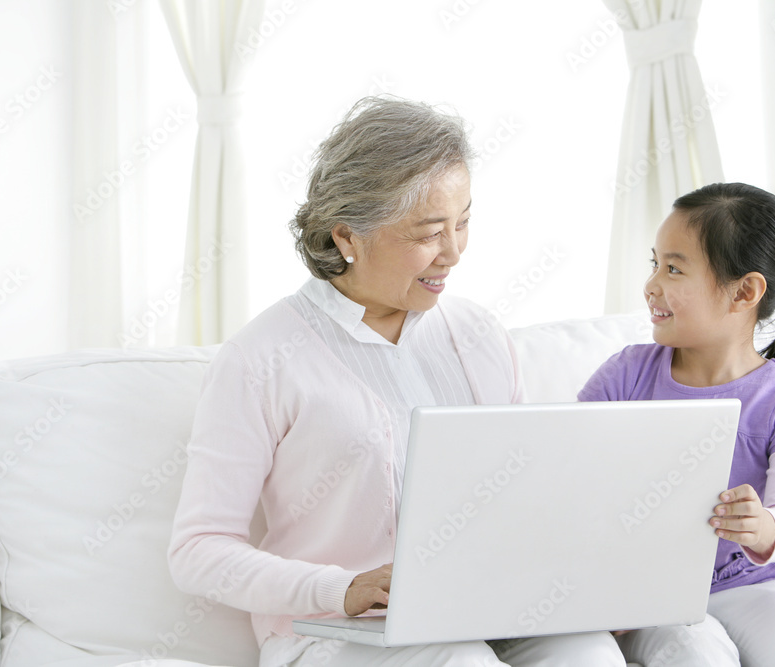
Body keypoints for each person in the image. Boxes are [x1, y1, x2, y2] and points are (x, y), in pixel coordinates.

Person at [168, 96, 625, 667]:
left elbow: (521, 494)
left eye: (463, 223)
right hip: (332, 631)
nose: (454, 253)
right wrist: (342, 587)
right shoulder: (260, 359)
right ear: (347, 238)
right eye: (430, 232)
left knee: (592, 654)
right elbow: (197, 550)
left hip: (483, 606)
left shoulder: (476, 332)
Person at [578, 182, 775, 666]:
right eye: (655, 264)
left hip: (764, 583)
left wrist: (763, 527)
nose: (652, 285)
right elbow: (566, 474)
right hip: (656, 596)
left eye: (673, 269)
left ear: (745, 291)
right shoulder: (625, 374)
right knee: (694, 653)